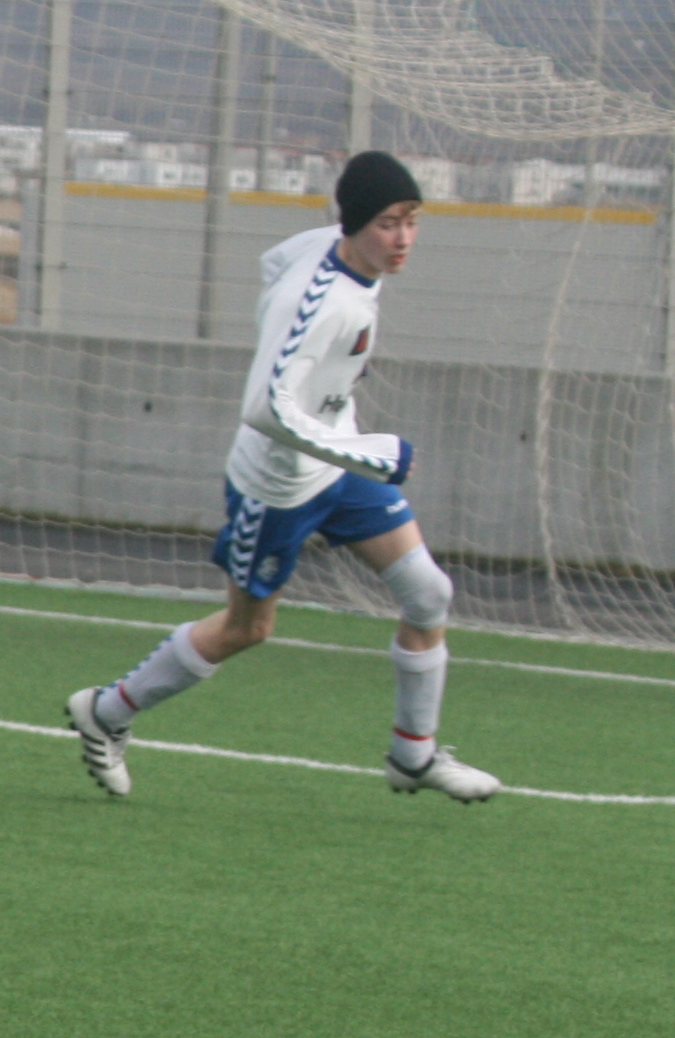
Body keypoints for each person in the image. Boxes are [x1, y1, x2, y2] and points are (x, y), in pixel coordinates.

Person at [66, 150, 495, 803]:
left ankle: (413, 756)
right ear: (355, 224)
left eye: (411, 220)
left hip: (336, 461)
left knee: (428, 595)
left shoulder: (335, 252)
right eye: (387, 224)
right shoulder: (321, 304)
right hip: (277, 487)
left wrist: (339, 426)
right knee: (248, 629)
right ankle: (107, 711)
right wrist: (372, 453)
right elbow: (265, 408)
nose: (403, 237)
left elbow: (273, 263)